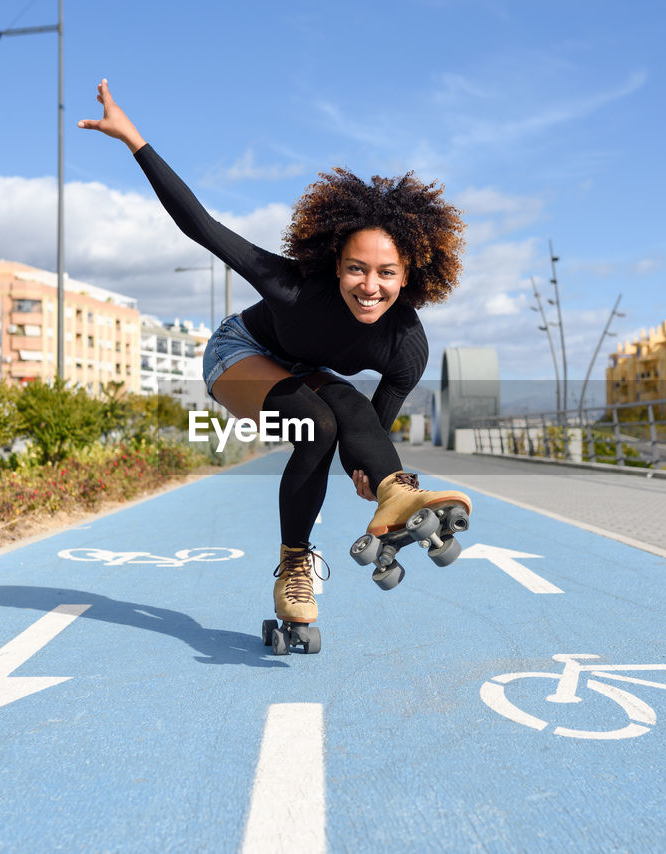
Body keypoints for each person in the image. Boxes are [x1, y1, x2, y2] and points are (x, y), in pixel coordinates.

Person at [79, 79, 472, 630]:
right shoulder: (293, 288)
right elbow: (203, 227)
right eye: (357, 269)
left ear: (408, 277)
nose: (369, 286)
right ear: (336, 265)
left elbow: (369, 431)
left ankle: (400, 499)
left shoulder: (406, 346)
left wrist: (374, 476)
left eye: (387, 273)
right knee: (315, 422)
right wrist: (134, 139)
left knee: (346, 414)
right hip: (235, 354)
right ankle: (295, 565)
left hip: (299, 371)